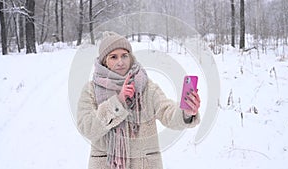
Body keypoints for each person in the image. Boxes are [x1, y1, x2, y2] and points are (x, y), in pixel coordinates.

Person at [76, 32, 201, 169]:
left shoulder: (145, 85)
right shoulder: (91, 89)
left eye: (124, 55)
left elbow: (166, 111)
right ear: (104, 62)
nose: (120, 62)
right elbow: (87, 128)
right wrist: (118, 102)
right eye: (113, 57)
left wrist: (186, 113)